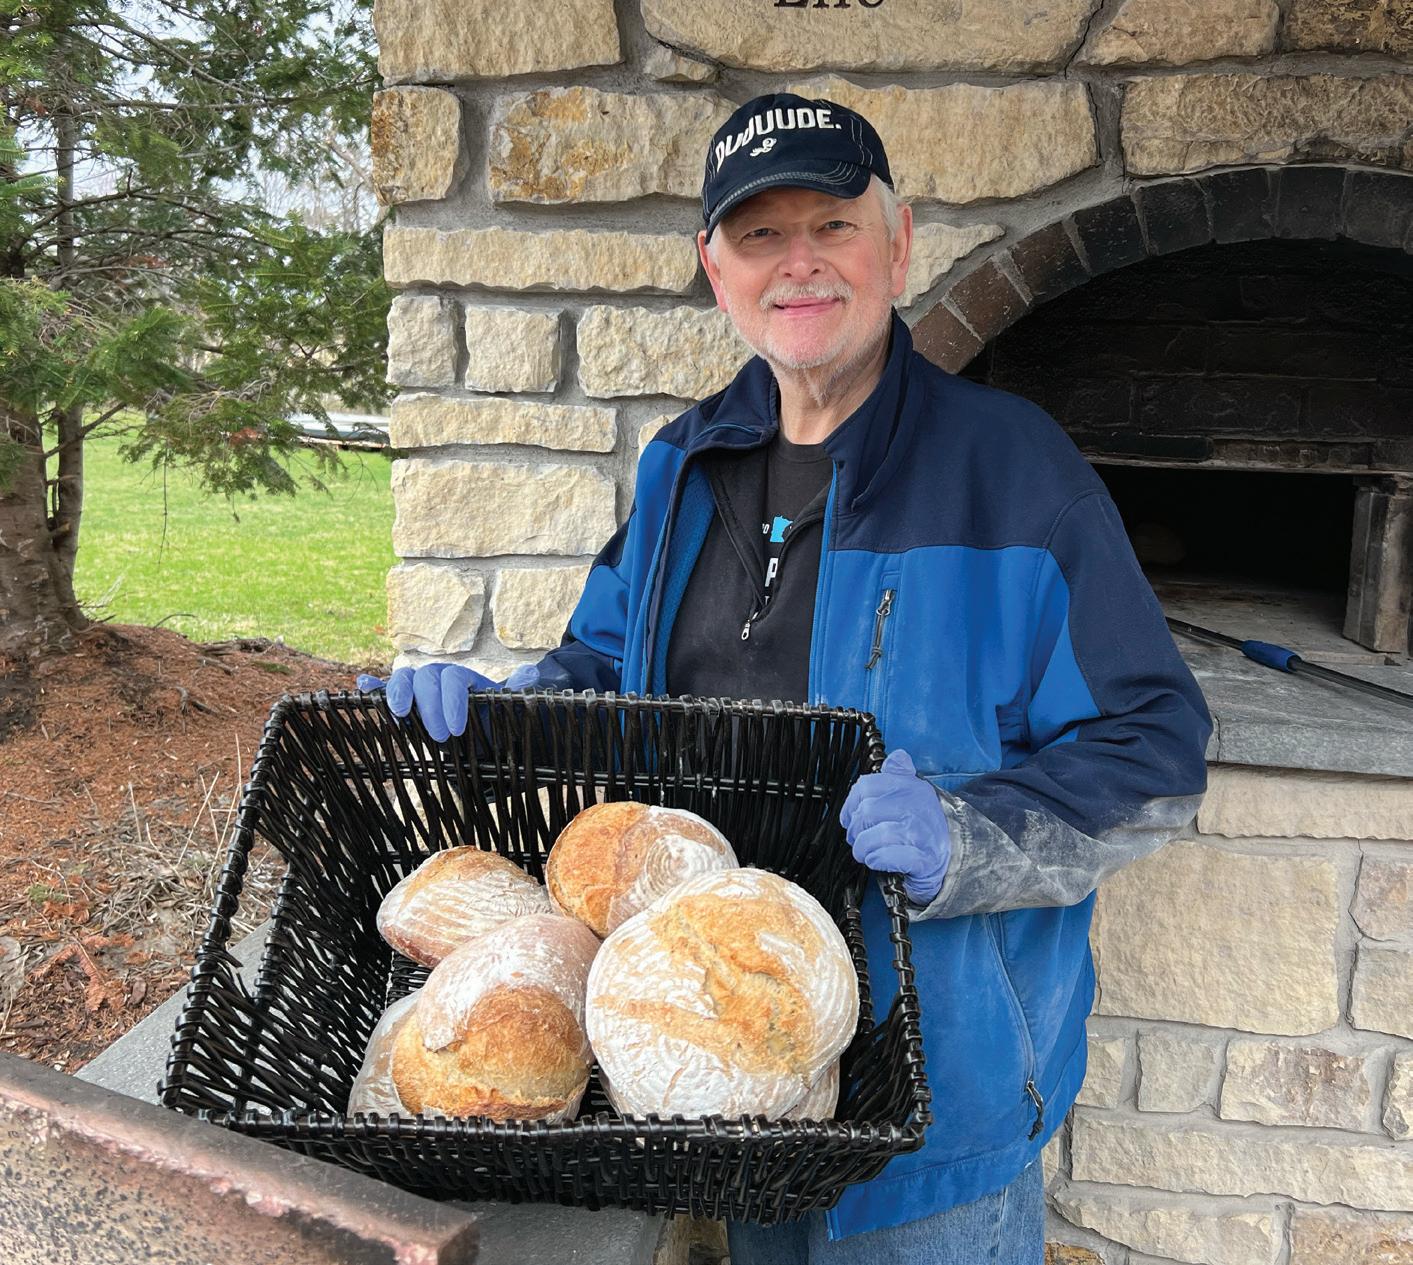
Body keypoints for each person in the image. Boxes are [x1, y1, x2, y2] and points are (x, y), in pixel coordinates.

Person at [361, 93, 1212, 1263]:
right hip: (728, 1065)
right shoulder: (684, 463)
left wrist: (969, 838)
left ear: (896, 247)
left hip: (936, 1103)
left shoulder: (1012, 471)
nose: (798, 262)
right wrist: (502, 706)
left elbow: (1154, 744)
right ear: (717, 270)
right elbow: (606, 666)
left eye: (833, 226)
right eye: (761, 234)